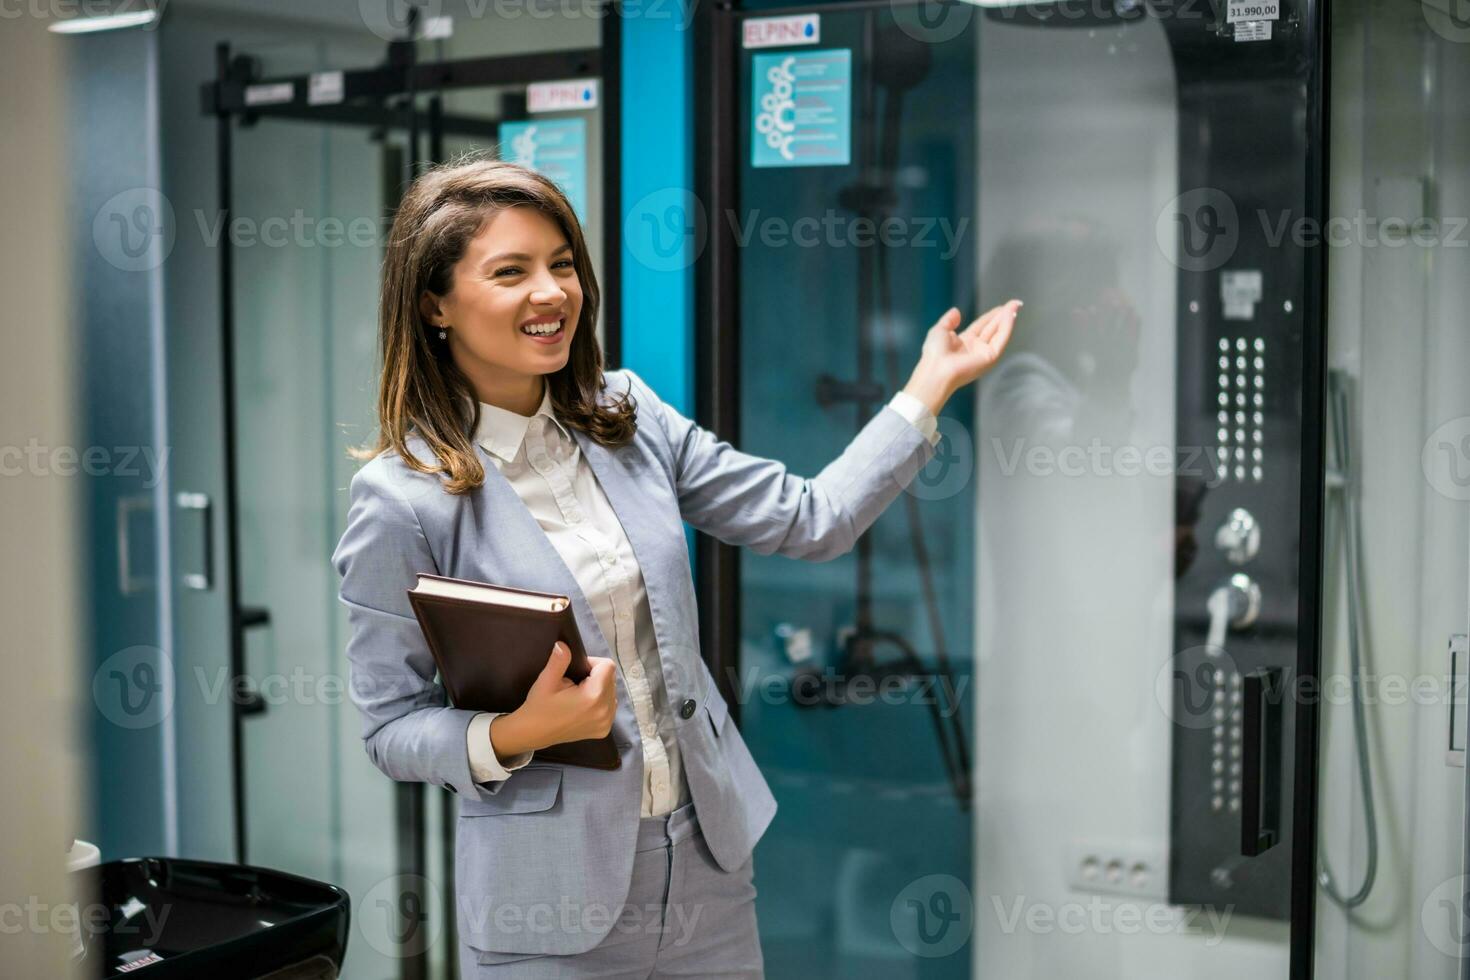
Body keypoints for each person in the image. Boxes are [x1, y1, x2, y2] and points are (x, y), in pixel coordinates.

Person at [330, 155, 1019, 978]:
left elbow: (810, 518)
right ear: (434, 303)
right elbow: (390, 727)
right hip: (548, 903)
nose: (551, 293)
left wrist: (924, 392)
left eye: (561, 264)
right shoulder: (403, 498)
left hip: (705, 869)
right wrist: (519, 734)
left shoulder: (628, 416)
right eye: (511, 272)